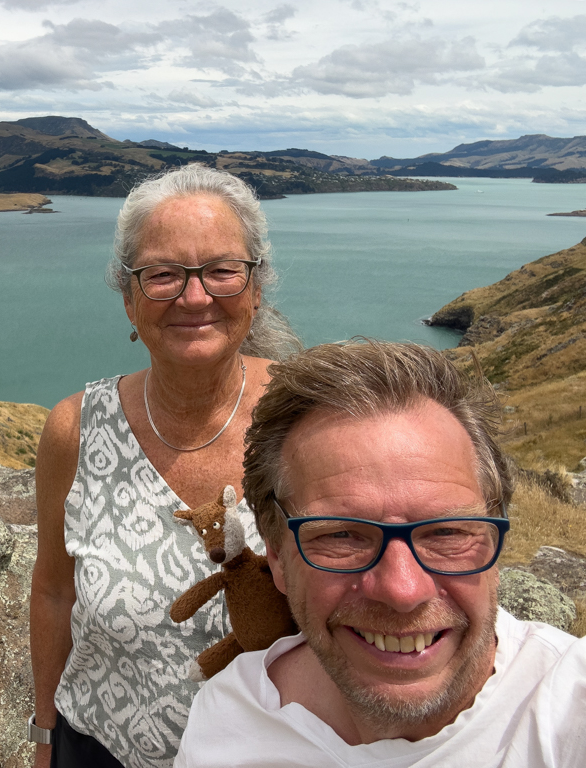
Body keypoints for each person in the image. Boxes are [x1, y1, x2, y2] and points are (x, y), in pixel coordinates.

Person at [175, 340, 586, 767]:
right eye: (342, 536)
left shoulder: (568, 707)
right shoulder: (226, 724)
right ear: (277, 553)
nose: (402, 590)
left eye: (446, 532)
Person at [29, 164, 300, 768]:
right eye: (163, 274)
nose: (195, 296)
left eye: (222, 270)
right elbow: (52, 591)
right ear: (128, 296)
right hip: (99, 749)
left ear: (256, 289)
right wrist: (45, 736)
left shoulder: (306, 417)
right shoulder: (75, 430)